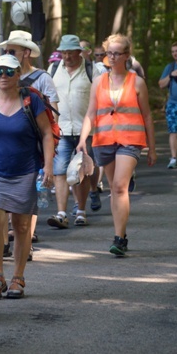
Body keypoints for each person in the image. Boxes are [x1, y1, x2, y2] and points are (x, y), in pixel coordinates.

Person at [0, 54, 54, 300]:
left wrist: (49, 168)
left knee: (22, 226)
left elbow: (46, 134)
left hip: (26, 170)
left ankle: (18, 277)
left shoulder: (30, 100)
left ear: (18, 74)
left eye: (9, 71)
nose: (3, 76)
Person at [77, 34, 157, 256]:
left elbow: (148, 116)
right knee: (114, 189)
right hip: (103, 140)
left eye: (116, 53)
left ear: (126, 55)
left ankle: (119, 238)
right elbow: (91, 113)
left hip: (130, 141)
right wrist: (83, 139)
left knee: (120, 187)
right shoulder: (98, 82)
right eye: (109, 53)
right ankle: (119, 233)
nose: (111, 57)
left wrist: (152, 147)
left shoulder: (137, 82)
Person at [45, 34, 99, 229]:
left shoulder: (92, 70)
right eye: (63, 52)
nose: (66, 56)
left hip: (87, 131)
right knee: (59, 171)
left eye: (70, 52)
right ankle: (61, 213)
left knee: (81, 171)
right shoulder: (52, 69)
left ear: (79, 52)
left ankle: (81, 211)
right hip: (61, 130)